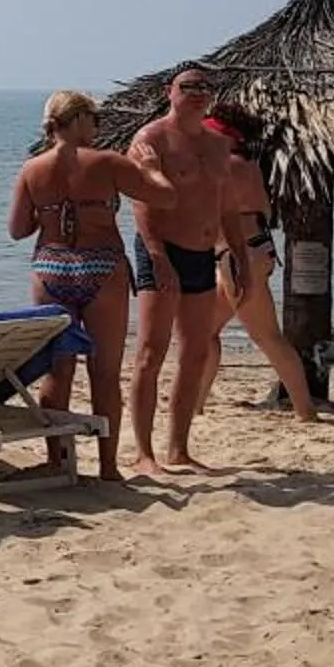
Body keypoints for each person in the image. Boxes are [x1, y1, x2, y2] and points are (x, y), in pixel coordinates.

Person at [8, 90, 177, 482]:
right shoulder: (108, 163)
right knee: (104, 372)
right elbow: (164, 198)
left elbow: (18, 229)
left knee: (58, 370)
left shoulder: (32, 169)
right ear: (81, 119)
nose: (98, 126)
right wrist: (152, 169)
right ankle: (107, 467)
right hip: (102, 266)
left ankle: (58, 460)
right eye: (95, 118)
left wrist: (50, 213)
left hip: (51, 268)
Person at [126, 66, 231, 476]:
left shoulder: (219, 146)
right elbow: (141, 201)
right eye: (188, 86)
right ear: (170, 92)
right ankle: (143, 453)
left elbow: (226, 205)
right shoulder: (151, 139)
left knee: (196, 351)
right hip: (162, 249)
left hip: (203, 252)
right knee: (151, 351)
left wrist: (235, 251)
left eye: (205, 87)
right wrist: (156, 254)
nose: (198, 93)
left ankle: (179, 449)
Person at [198, 104, 318, 429]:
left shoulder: (223, 167)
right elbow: (262, 208)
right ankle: (196, 405)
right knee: (205, 332)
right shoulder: (248, 164)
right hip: (255, 249)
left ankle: (305, 410)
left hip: (238, 256)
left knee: (266, 336)